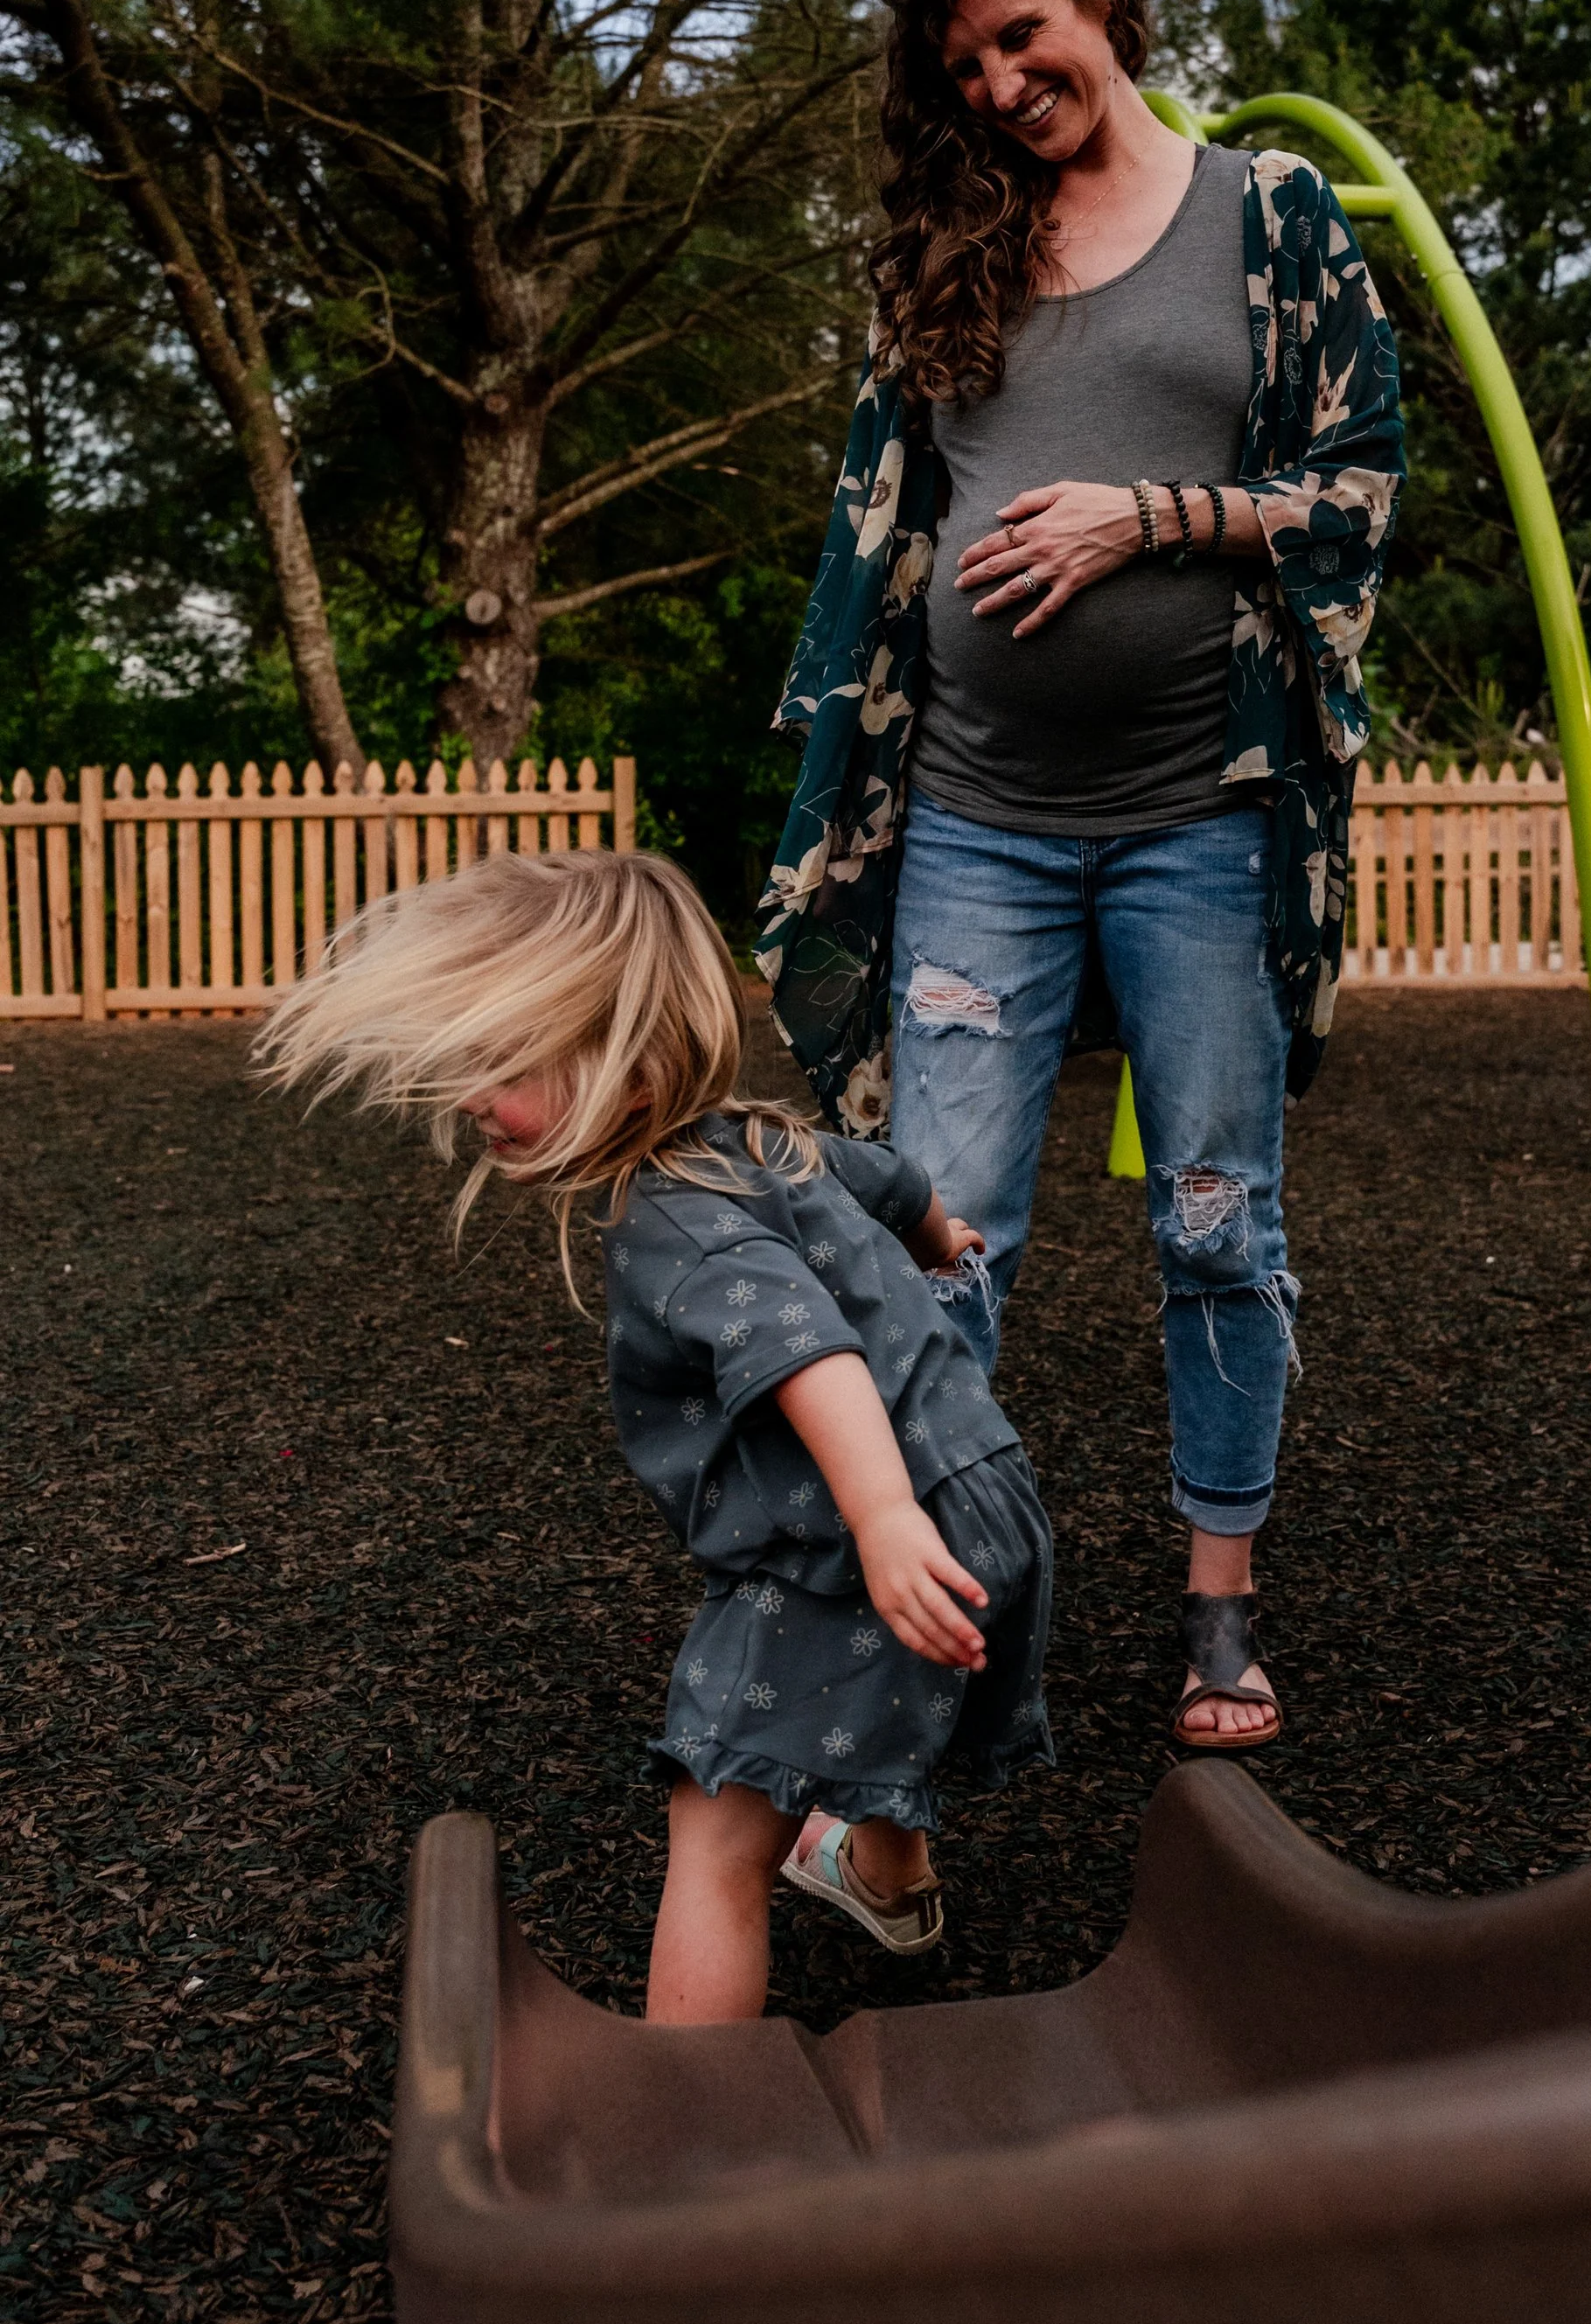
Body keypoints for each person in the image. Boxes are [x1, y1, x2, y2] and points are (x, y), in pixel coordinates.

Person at [758, 0, 1404, 1754]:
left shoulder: (1266, 218)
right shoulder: (942, 255)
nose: (992, 86)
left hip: (1198, 823)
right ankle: (943, 1602)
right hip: (969, 822)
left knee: (1214, 1217)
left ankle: (1217, 1604)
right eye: (959, 65)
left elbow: (1354, 494)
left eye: (1016, 37)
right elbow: (883, 537)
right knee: (949, 1226)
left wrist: (1155, 512)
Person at [255, 848, 1053, 2024]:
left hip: (862, 1532)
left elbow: (808, 1352)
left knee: (717, 1827)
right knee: (881, 1693)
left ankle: (691, 2114)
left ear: (627, 1073)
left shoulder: (674, 1218)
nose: (476, 1094)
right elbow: (891, 1176)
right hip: (991, 1499)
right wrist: (942, 1237)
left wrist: (883, 1520)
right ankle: (891, 1880)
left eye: (503, 1063)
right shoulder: (761, 1139)